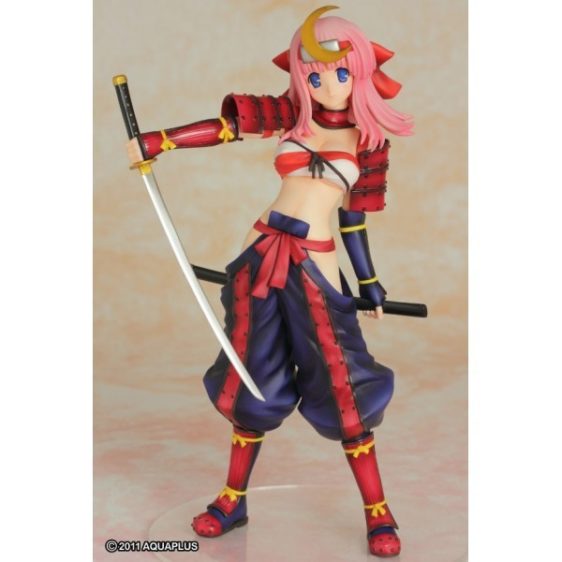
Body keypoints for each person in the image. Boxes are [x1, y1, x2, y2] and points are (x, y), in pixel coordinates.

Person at [126, 6, 413, 557]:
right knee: (249, 374)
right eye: (313, 75)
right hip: (259, 251)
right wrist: (160, 141)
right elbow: (227, 128)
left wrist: (370, 281)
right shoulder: (290, 116)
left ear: (360, 71)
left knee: (342, 381)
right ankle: (232, 499)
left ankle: (378, 511)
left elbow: (353, 220)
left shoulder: (369, 141)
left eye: (340, 72)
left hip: (315, 260)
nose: (326, 85)